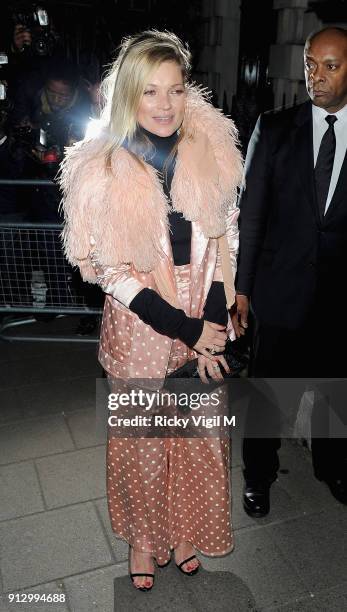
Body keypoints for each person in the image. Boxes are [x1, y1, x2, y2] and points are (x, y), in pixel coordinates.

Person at [59, 30, 242, 591]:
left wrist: (211, 315)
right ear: (129, 96)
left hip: (202, 301)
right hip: (143, 318)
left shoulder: (209, 146)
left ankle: (187, 529)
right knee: (142, 437)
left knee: (197, 431)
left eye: (177, 89)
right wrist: (182, 326)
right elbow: (107, 269)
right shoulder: (102, 168)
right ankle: (145, 537)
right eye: (151, 92)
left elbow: (226, 232)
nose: (166, 105)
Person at [233, 27, 347, 516]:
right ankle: (258, 476)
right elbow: (251, 215)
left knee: (333, 390)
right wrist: (241, 290)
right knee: (268, 394)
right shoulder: (275, 128)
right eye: (309, 64)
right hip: (279, 293)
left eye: (330, 66)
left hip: (340, 299)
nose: (315, 77)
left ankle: (333, 466)